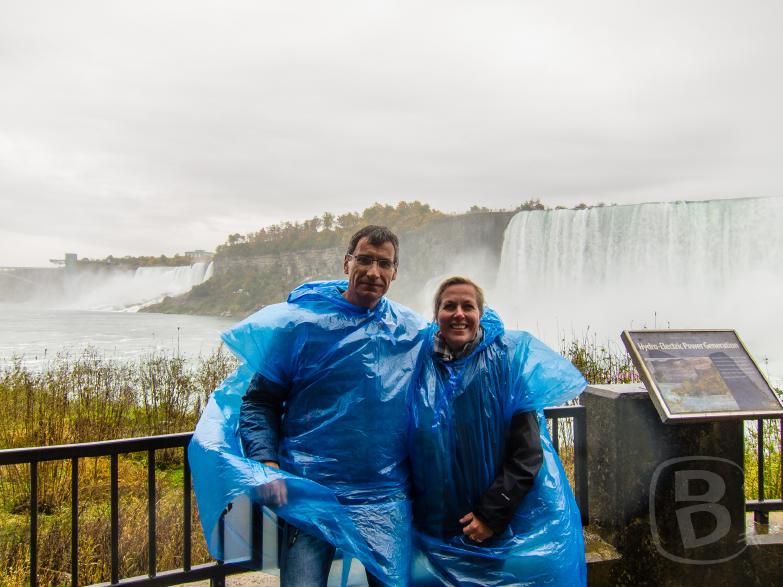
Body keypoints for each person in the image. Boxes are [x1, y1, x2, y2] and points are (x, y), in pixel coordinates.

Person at [189, 225, 426, 586]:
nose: (373, 272)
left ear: (395, 272)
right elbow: (258, 402)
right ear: (347, 263)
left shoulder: (408, 332)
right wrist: (266, 465)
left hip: (384, 496)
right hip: (312, 493)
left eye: (384, 263)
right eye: (364, 259)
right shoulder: (300, 327)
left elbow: (454, 367)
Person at [409, 276, 587, 586]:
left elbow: (527, 453)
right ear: (437, 314)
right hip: (434, 522)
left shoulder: (503, 364)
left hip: (486, 525)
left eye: (468, 306)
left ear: (481, 313)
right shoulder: (421, 365)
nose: (459, 314)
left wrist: (490, 516)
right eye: (449, 306)